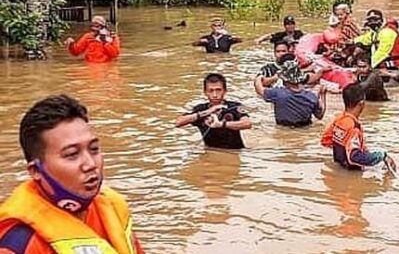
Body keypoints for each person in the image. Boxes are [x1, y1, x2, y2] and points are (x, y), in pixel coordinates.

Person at [0, 95, 145, 253]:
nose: (90, 164)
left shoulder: (114, 207)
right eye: (72, 154)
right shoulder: (19, 242)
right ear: (35, 171)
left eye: (94, 149)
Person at [321, 83, 397, 171]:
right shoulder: (354, 127)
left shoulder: (338, 120)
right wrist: (381, 155)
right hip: (351, 174)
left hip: (339, 168)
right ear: (362, 103)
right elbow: (355, 157)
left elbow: (325, 140)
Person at [175, 74, 251, 149]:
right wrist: (208, 112)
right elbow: (178, 123)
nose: (215, 95)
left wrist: (221, 124)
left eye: (218, 90)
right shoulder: (200, 109)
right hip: (210, 150)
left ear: (225, 91)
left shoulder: (234, 106)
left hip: (234, 151)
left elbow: (247, 124)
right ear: (205, 92)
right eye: (211, 91)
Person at [254, 55, 327, 127]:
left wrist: (259, 77)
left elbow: (259, 89)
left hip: (282, 130)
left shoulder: (277, 93)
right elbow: (320, 116)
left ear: (284, 79)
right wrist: (323, 95)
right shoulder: (311, 96)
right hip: (305, 129)